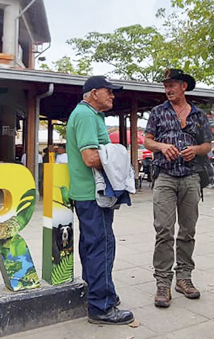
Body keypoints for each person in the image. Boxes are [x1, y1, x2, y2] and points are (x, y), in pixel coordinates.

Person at [66, 75, 134, 325]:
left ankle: (100, 294)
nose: (113, 96)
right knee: (102, 246)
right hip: (92, 195)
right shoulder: (85, 115)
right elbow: (90, 158)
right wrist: (119, 153)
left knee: (93, 245)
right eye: (109, 91)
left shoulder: (91, 115)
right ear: (94, 93)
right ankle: (101, 307)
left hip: (88, 194)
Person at [143, 68, 212, 309]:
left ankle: (184, 278)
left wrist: (197, 150)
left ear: (184, 86)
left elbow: (207, 144)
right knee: (163, 229)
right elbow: (146, 140)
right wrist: (161, 146)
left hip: (191, 177)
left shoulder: (198, 114)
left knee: (188, 230)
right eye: (166, 85)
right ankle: (163, 282)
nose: (168, 89)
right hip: (164, 176)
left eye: (172, 85)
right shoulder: (158, 112)